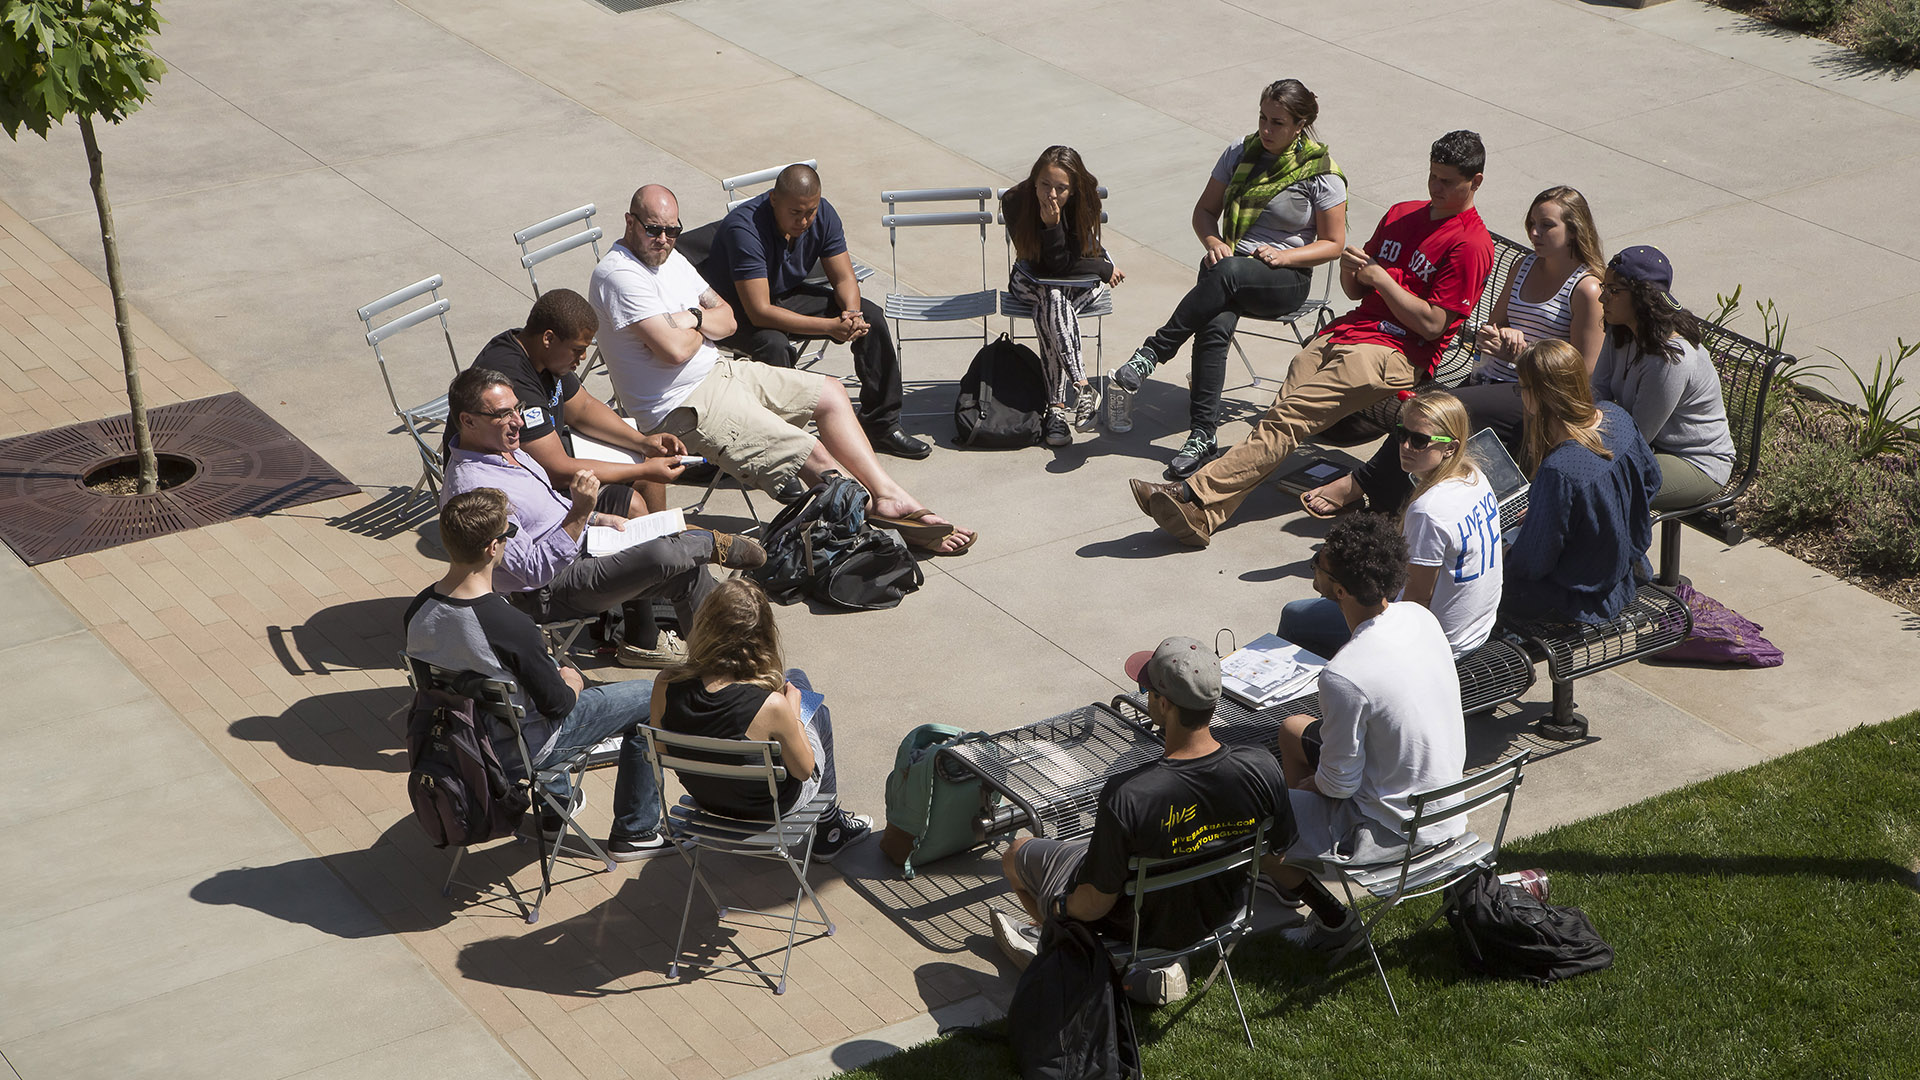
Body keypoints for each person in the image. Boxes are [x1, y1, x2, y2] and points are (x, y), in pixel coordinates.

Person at [1130, 131, 1496, 547]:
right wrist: (1352, 271)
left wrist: (1381, 279)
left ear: (1476, 182)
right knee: (1280, 419)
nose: (1435, 187)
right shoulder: (1401, 213)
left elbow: (1433, 325)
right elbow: (1356, 292)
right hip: (1346, 332)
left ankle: (1190, 492)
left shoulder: (1470, 243)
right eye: (1432, 176)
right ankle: (1205, 517)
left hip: (1395, 353)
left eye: (1447, 181)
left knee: (1288, 419)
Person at [589, 184, 976, 555]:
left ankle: (888, 497)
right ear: (630, 221)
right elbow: (674, 351)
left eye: (673, 230)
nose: (664, 239)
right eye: (653, 229)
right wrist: (701, 326)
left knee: (830, 393)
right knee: (812, 452)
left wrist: (691, 318)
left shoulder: (671, 259)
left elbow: (727, 319)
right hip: (682, 406)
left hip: (720, 371)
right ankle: (879, 530)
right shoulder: (619, 276)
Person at [991, 636, 1292, 1003]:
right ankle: (1152, 969)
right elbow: (1277, 856)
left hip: (1139, 929)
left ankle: (1064, 948)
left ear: (1163, 704)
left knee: (1016, 854)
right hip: (1219, 915)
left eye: (1148, 690)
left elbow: (1095, 904)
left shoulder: (1129, 795)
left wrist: (1056, 909)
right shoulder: (1262, 766)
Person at [1301, 186, 1605, 518]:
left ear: (1574, 229)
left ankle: (1360, 484)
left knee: (1437, 415)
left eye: (1547, 225)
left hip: (1536, 395)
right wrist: (1494, 336)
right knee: (1421, 417)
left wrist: (1523, 356)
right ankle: (1393, 505)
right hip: (1491, 378)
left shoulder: (1587, 288)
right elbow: (1492, 326)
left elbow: (1582, 372)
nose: (1534, 233)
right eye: (1532, 223)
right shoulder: (1525, 265)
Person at [404, 488, 672, 861]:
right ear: (492, 548)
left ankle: (556, 808)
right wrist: (573, 681)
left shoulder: (418, 609)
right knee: (649, 697)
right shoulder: (508, 624)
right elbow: (558, 706)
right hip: (518, 751)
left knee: (525, 695)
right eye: (509, 534)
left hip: (460, 741)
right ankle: (636, 831)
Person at [439, 367, 765, 668]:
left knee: (686, 570)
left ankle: (723, 669)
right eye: (503, 414)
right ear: (468, 421)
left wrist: (595, 518)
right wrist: (581, 514)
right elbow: (532, 571)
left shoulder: (502, 448)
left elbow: (549, 507)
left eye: (517, 408)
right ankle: (706, 542)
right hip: (548, 589)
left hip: (583, 545)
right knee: (662, 554)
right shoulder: (476, 490)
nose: (519, 422)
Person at [1109, 79, 1347, 477]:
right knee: (1215, 321)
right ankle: (1202, 435)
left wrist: (1285, 255)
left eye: (1277, 123)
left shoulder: (1322, 173)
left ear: (1300, 125)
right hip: (1231, 270)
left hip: (1285, 279)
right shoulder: (1240, 152)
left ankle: (1152, 353)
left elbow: (1334, 244)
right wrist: (1214, 240)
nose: (1266, 129)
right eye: (1262, 118)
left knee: (1224, 274)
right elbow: (1204, 212)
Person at [1265, 513, 1468, 950]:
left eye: (1318, 563)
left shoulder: (1345, 674)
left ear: (1339, 589)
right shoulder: (1420, 617)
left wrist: (1313, 786)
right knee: (1292, 729)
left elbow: (1339, 784)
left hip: (1394, 834)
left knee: (1257, 818)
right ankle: (1291, 866)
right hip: (1445, 808)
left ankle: (1331, 915)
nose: (1314, 567)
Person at [698, 163, 927, 460]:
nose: (804, 221)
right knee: (774, 345)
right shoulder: (744, 229)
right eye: (795, 213)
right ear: (774, 199)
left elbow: (844, 278)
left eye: (810, 212)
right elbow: (759, 312)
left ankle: (880, 425)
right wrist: (831, 327)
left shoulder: (824, 214)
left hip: (782, 293)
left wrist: (851, 315)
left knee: (871, 318)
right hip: (732, 310)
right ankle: (778, 445)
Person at [649, 577, 871, 861]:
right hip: (770, 808)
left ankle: (829, 825)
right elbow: (804, 772)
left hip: (707, 800)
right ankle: (830, 829)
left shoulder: (666, 682)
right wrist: (793, 714)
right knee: (816, 709)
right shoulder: (771, 706)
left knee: (795, 677)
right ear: (762, 634)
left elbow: (662, 749)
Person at [1279, 389, 1503, 659]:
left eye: (1419, 440)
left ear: (1450, 447)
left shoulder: (1429, 511)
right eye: (1402, 434)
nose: (1406, 446)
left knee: (1295, 615)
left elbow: (1416, 602)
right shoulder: (1475, 476)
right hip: (1476, 629)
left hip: (1439, 645)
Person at [470, 288, 689, 515]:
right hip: (513, 487)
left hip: (549, 455)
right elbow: (556, 470)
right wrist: (643, 470)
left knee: (649, 467)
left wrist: (643, 442)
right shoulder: (513, 380)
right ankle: (651, 536)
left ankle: (665, 534)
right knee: (632, 503)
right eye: (577, 350)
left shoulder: (543, 353)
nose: (583, 357)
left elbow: (583, 408)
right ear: (548, 338)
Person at [1502, 338, 1661, 626]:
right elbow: (1652, 481)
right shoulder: (1617, 416)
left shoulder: (1559, 470)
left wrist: (1505, 554)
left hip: (1577, 597)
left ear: (1538, 395)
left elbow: (1532, 564)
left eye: (1521, 388)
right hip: (1625, 573)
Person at [1590, 245, 1735, 513]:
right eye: (1604, 287)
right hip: (1650, 445)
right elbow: (1596, 389)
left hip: (1695, 462)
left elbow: (1637, 436)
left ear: (1642, 298)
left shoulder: (1670, 359)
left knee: (1598, 489)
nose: (1602, 298)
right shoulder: (1620, 329)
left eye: (1613, 290)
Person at [999, 146, 1125, 446]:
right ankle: (1082, 387)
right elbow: (1045, 265)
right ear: (1034, 180)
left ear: (1073, 188)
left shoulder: (1085, 201)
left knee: (1053, 303)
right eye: (1045, 184)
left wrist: (1093, 263)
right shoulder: (1016, 201)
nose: (1051, 195)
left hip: (1075, 280)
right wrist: (1101, 266)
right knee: (1051, 296)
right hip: (1032, 277)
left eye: (1061, 188)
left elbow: (1068, 264)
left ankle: (1056, 410)